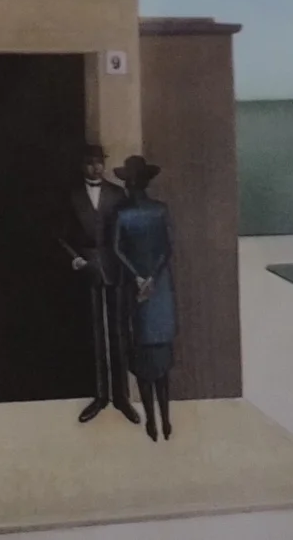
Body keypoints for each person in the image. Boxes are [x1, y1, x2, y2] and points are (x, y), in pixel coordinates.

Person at [62, 142, 137, 424]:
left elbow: (127, 234)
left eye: (99, 162)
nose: (96, 167)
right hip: (88, 268)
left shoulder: (118, 195)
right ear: (82, 165)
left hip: (116, 267)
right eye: (90, 162)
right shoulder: (71, 196)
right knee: (95, 335)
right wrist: (75, 258)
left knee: (118, 332)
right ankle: (100, 396)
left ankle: (122, 398)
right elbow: (61, 236)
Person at [111, 154, 179, 442]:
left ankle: (155, 419)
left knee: (143, 354)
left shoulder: (123, 214)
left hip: (142, 289)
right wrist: (151, 277)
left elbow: (117, 250)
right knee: (156, 356)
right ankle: (162, 419)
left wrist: (138, 277)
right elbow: (167, 249)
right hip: (158, 288)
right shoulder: (159, 210)